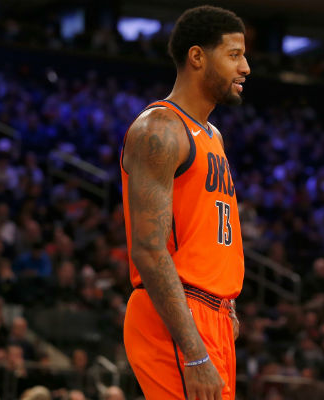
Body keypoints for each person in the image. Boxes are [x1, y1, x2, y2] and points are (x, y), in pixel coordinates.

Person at [120, 5, 249, 400]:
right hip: (176, 318)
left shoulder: (213, 135)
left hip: (211, 315)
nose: (245, 68)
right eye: (234, 55)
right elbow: (148, 248)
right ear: (197, 57)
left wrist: (223, 305)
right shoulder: (159, 128)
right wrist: (194, 352)